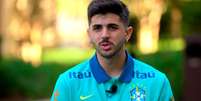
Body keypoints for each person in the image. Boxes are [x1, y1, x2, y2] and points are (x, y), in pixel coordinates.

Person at [51, 0, 174, 101]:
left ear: (127, 33)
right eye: (97, 28)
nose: (104, 35)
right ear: (89, 34)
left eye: (112, 27)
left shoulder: (157, 82)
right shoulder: (68, 83)